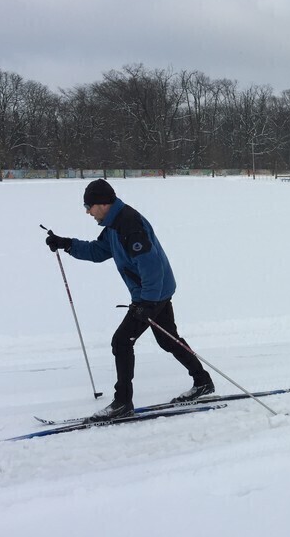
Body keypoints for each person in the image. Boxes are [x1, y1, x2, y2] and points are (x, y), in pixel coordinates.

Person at [45, 179, 214, 420]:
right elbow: (98, 251)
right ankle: (203, 381)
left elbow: (151, 266)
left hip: (151, 293)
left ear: (102, 204)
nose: (87, 211)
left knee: (121, 341)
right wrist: (67, 244)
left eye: (88, 206)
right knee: (168, 339)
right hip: (155, 292)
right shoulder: (114, 224)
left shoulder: (129, 224)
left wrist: (146, 303)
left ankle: (123, 402)